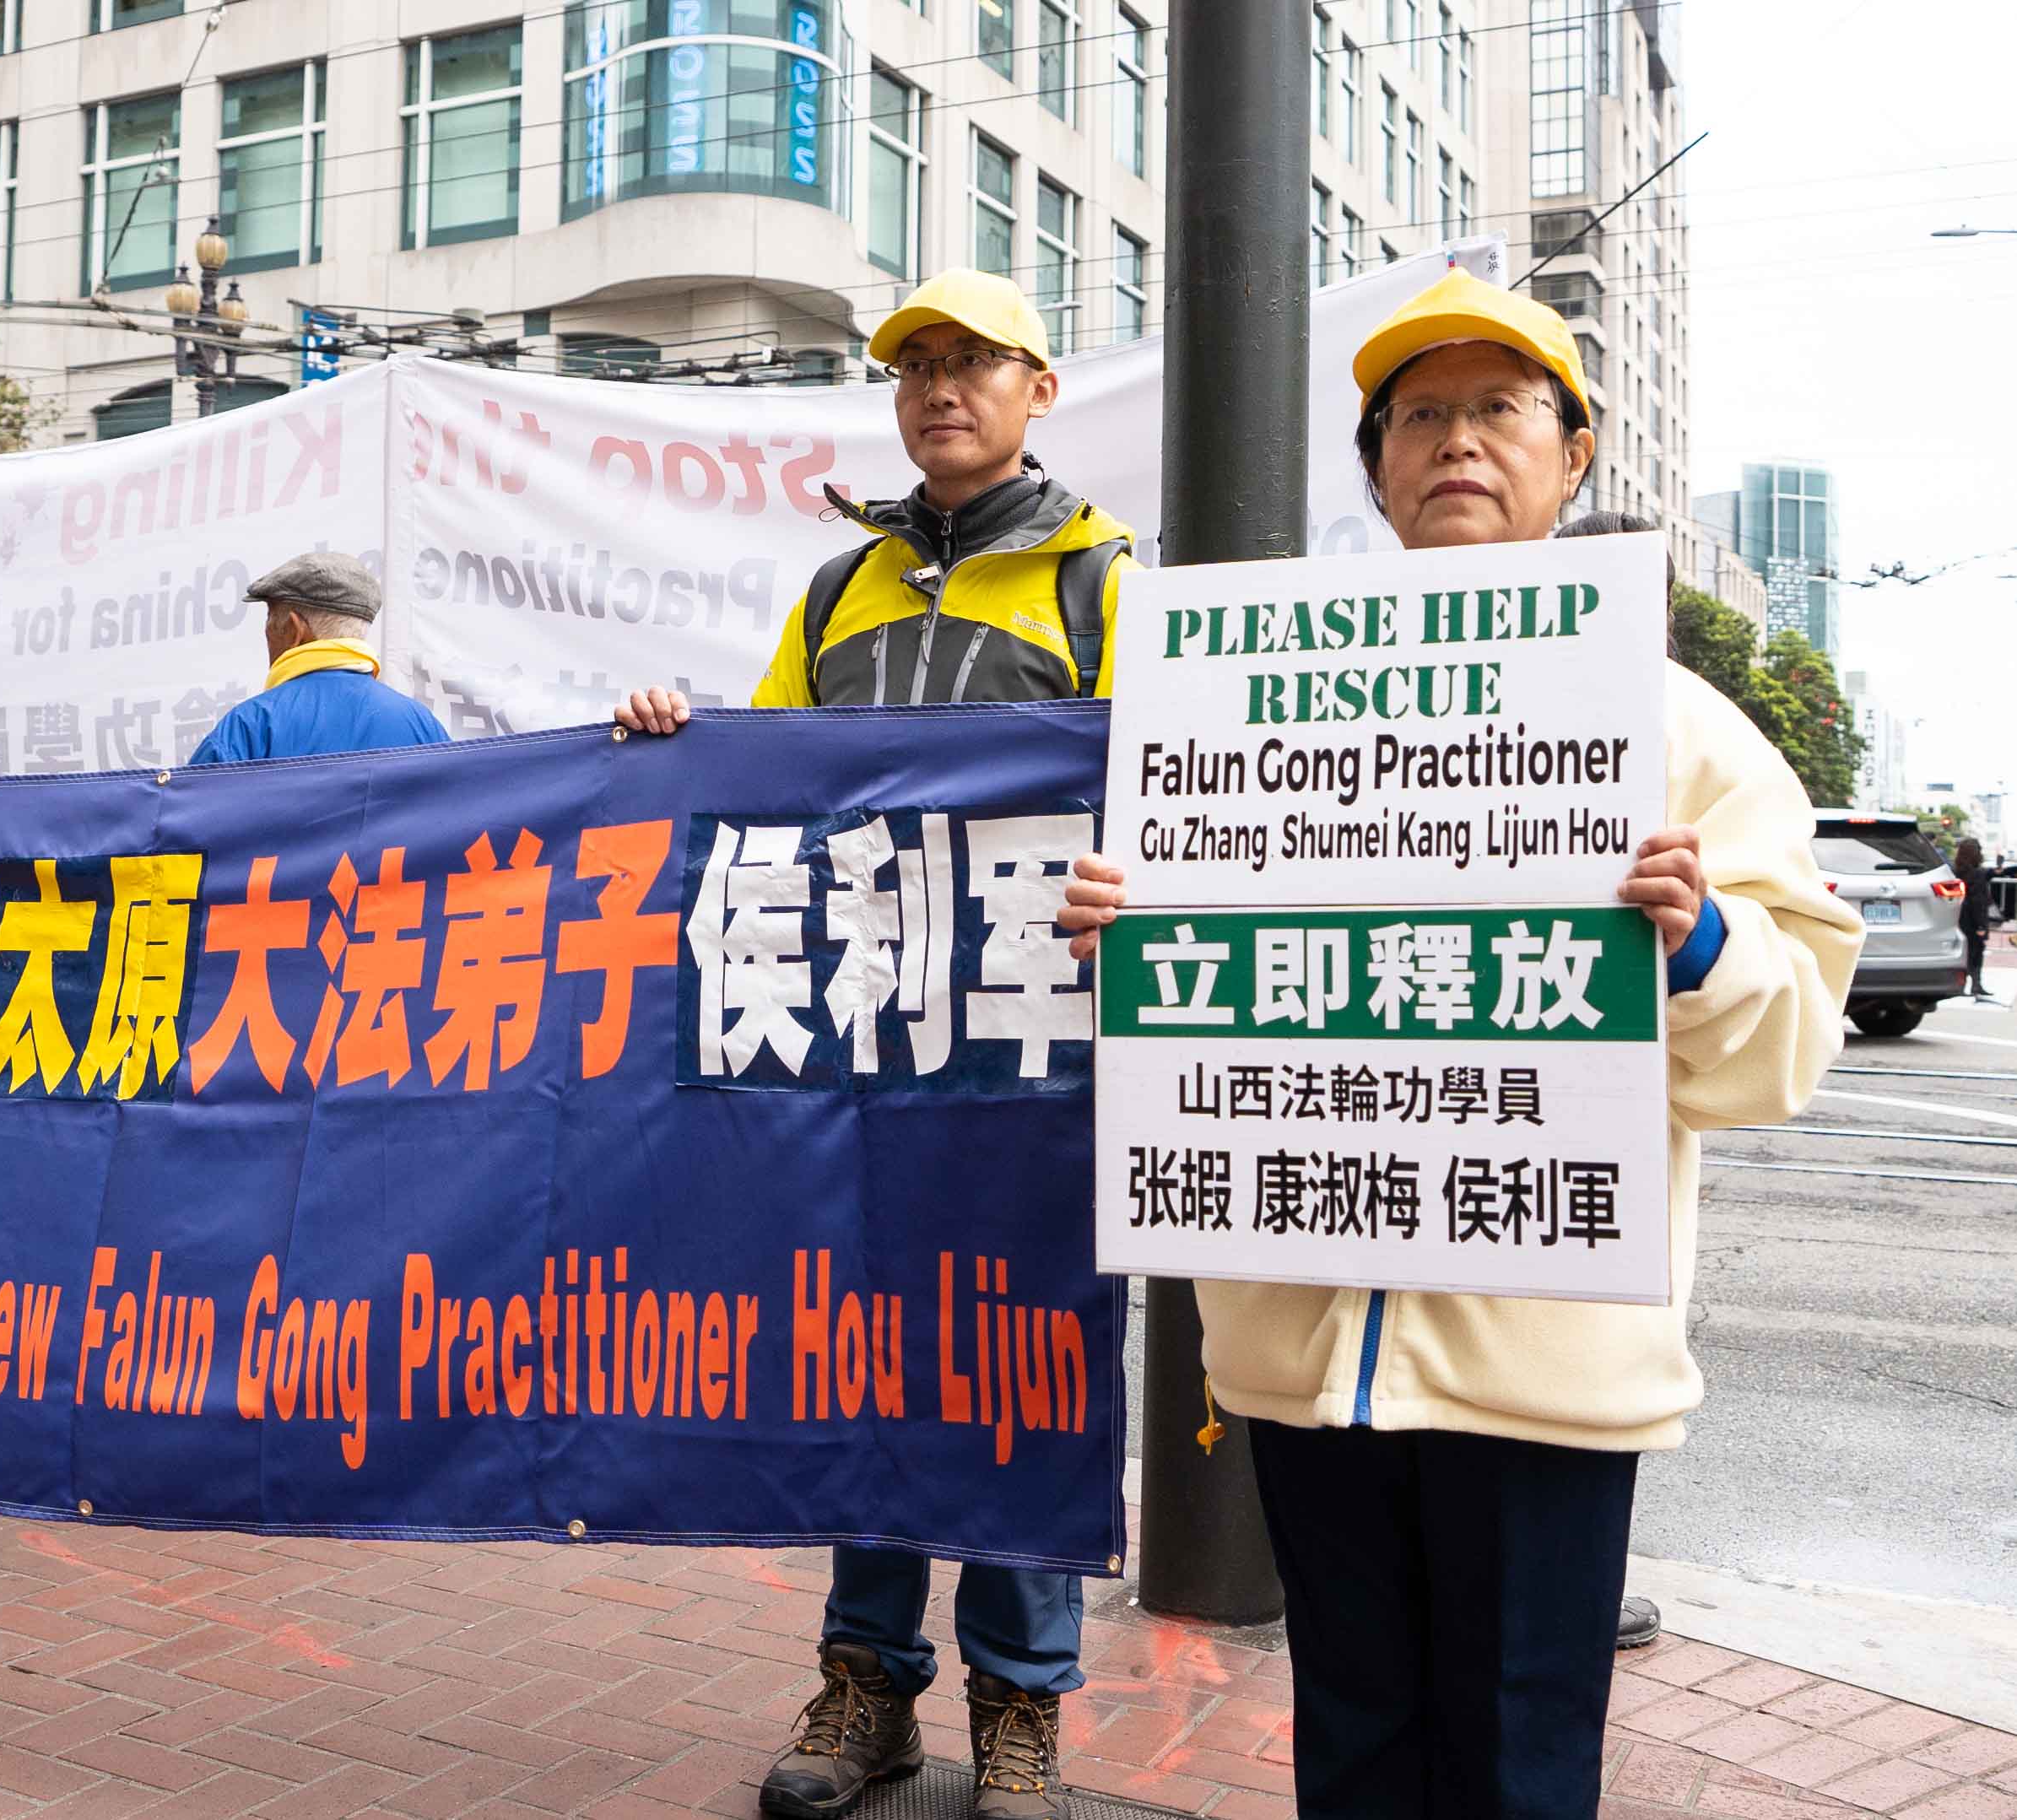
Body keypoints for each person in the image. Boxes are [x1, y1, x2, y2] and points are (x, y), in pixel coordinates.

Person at [1059, 268, 1860, 1818]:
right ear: (1375, 467)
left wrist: (1699, 942)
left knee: (1516, 1766)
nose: (1458, 442)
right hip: (1298, 1356)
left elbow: (1782, 1054)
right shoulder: (1246, 705)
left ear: (1573, 453)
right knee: (1351, 1743)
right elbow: (1199, 1040)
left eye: (1500, 408)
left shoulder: (1678, 724)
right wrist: (1122, 942)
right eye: (1419, 415)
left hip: (1543, 1377)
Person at [619, 269, 1139, 1820]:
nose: (939, 388)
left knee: (1020, 1364)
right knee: (866, 1361)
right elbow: (764, 780)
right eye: (915, 366)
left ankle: (1020, 1704)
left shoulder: (1106, 578)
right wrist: (669, 741)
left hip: (1037, 1058)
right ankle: (866, 1689)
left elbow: (1169, 798)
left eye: (973, 360)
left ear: (1039, 387)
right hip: (865, 1053)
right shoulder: (840, 590)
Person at [188, 553, 446, 765]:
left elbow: (192, 808)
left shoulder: (250, 727)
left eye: (270, 617)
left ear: (294, 629)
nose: (266, 631)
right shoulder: (423, 726)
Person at [1954, 836, 1991, 997]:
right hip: (1973, 918)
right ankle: (1976, 984)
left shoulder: (1954, 872)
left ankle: (1961, 986)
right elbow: (1978, 901)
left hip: (1958, 916)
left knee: (1962, 952)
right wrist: (1981, 925)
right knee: (1977, 951)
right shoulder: (1978, 874)